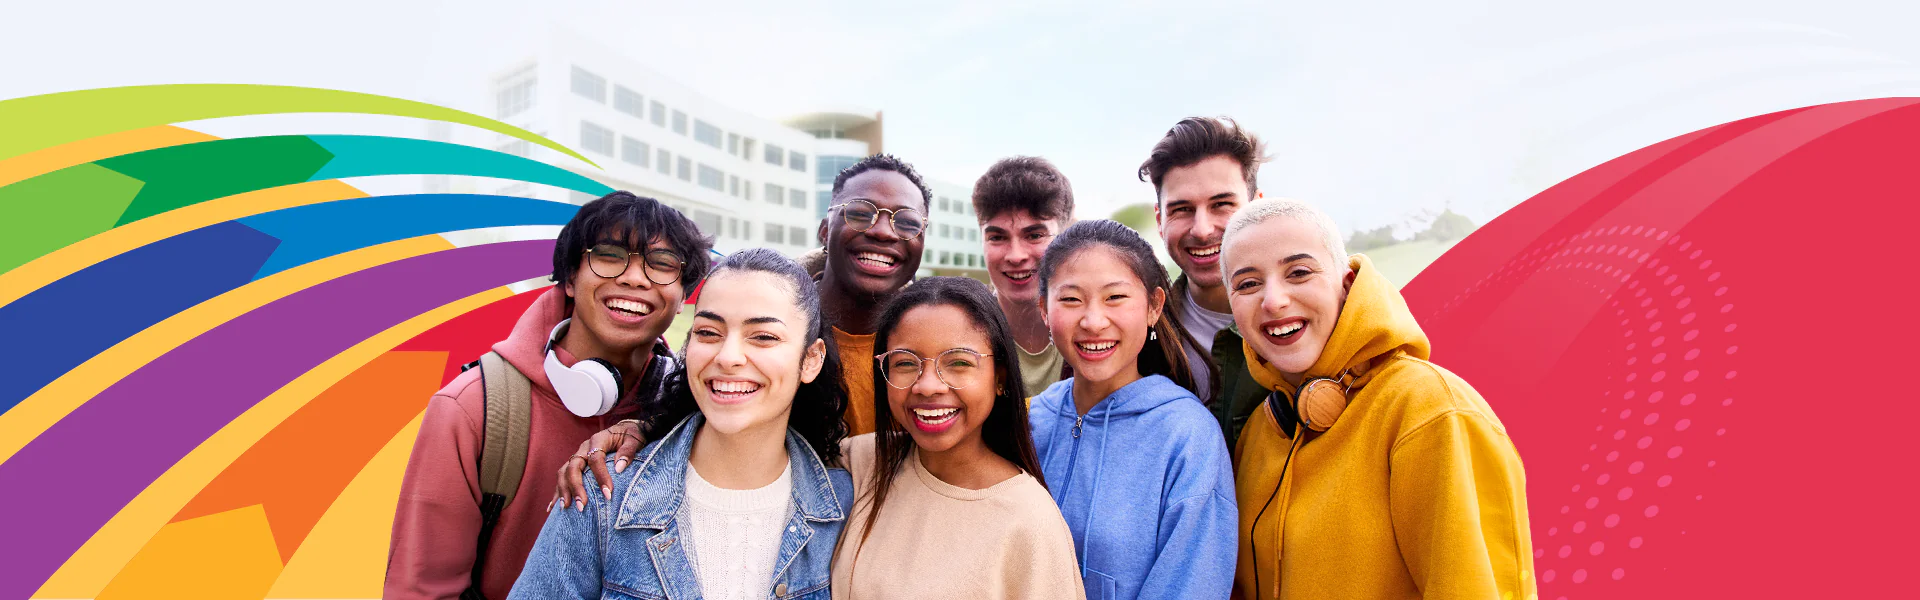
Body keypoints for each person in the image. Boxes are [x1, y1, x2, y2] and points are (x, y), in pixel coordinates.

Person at [548, 154, 934, 506]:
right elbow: (705, 389)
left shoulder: (936, 345)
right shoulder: (756, 315)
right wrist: (642, 429)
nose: (884, 231)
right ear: (823, 229)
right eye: (861, 213)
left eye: (908, 222)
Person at [385, 191, 710, 600]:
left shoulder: (692, 406)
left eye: (662, 264)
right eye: (610, 255)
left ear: (683, 299)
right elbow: (421, 590)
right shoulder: (472, 408)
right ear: (570, 278)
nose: (635, 278)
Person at [1221, 199, 1535, 600]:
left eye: (1299, 273)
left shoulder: (1433, 409)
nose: (1274, 300)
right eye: (1248, 283)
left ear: (1347, 283)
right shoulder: (1260, 431)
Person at [507, 248, 853, 600]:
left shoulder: (848, 507)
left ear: (811, 360)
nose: (728, 357)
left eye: (763, 337)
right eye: (708, 332)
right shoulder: (602, 493)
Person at [833, 277, 1083, 599]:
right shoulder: (858, 464)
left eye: (959, 363)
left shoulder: (1030, 521)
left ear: (1000, 378)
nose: (927, 386)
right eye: (906, 363)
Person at [1028, 219, 1237, 600]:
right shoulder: (1031, 421)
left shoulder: (1187, 436)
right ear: (1044, 309)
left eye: (1115, 298)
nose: (1093, 321)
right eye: (1071, 299)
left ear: (1154, 307)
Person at [1137, 116, 1271, 447]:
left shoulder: (1313, 318)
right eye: (1182, 209)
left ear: (1258, 208)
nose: (1202, 229)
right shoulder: (1139, 334)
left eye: (1222, 205)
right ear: (1160, 220)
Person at [971, 156, 1075, 397]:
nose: (1016, 256)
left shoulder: (1096, 327)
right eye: (997, 237)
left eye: (1035, 235)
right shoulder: (962, 331)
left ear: (1065, 236)